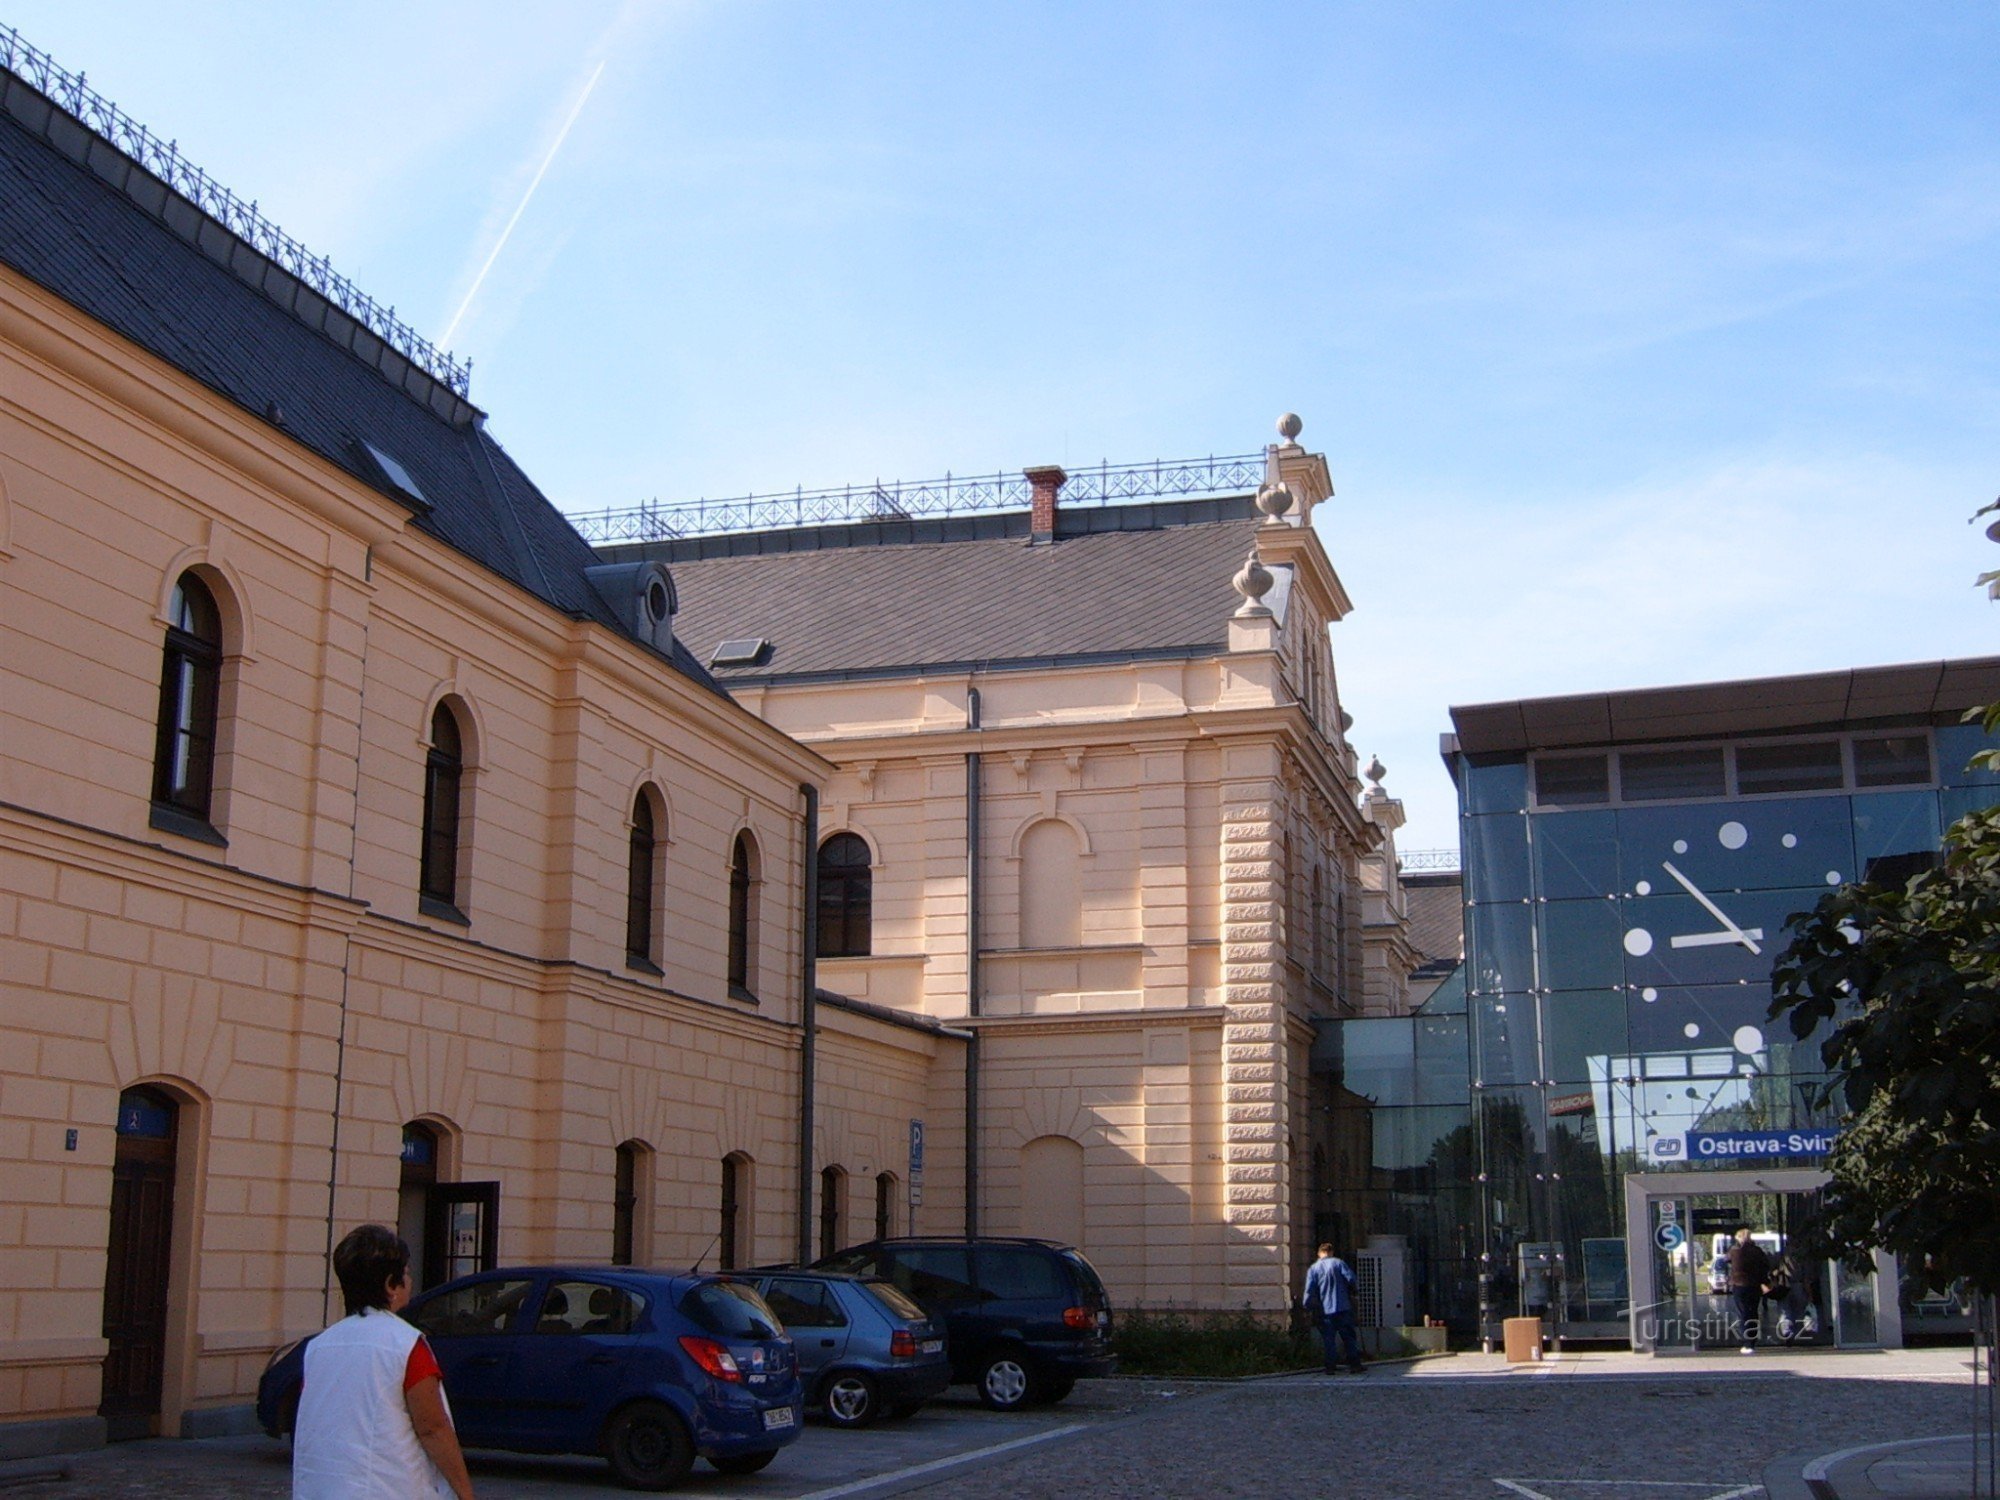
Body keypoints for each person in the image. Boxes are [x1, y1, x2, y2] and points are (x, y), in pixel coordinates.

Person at [293, 1224, 475, 1500]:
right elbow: (433, 1428)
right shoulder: (406, 1344)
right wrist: (465, 1493)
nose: (410, 1280)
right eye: (406, 1273)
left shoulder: (318, 1347)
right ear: (391, 1285)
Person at [1301, 1242, 1365, 1374]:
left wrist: (1306, 1306)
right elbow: (1351, 1279)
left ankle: (1330, 1367)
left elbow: (1309, 1290)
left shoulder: (1314, 1268)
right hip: (1343, 1307)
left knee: (1328, 1339)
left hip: (1324, 1310)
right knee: (1348, 1337)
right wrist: (1355, 1293)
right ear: (1331, 1252)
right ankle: (1355, 1365)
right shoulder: (1339, 1263)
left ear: (1319, 1253)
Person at [1726, 1226, 1772, 1355]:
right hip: (1754, 1285)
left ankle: (1747, 1342)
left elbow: (1725, 1259)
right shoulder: (1757, 1251)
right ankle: (1752, 1341)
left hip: (1739, 1286)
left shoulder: (1734, 1250)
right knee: (1753, 1312)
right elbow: (1766, 1264)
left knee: (1743, 1313)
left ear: (1739, 1238)